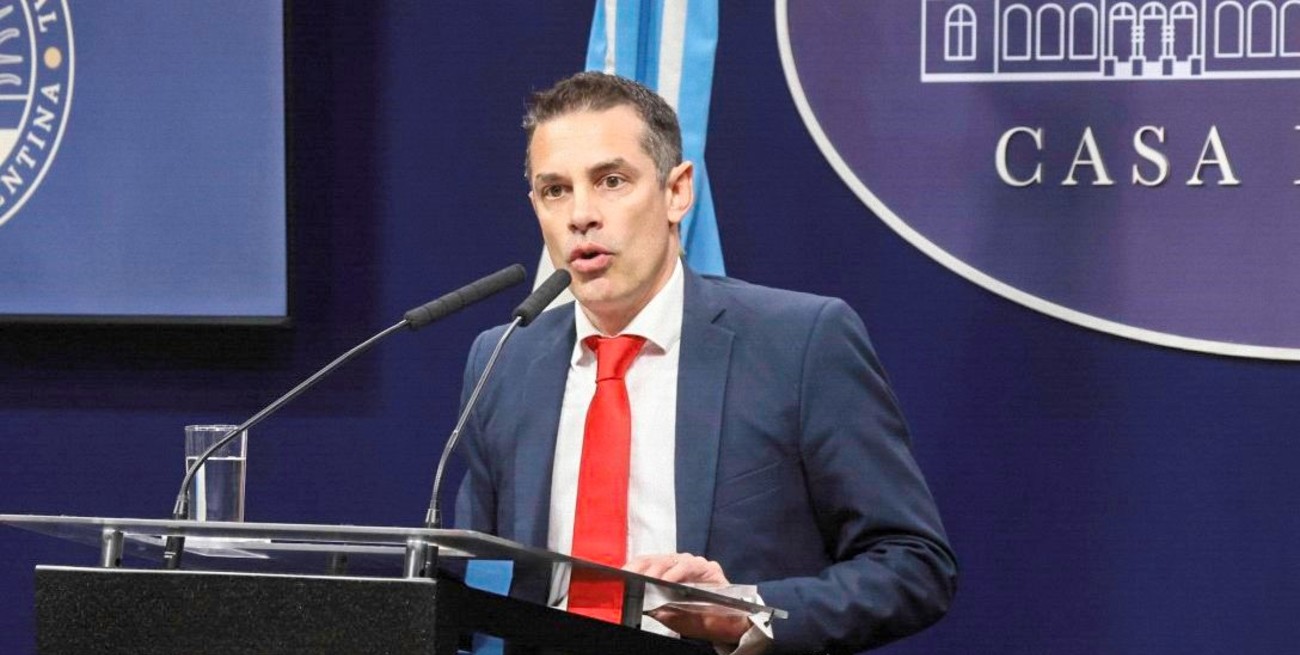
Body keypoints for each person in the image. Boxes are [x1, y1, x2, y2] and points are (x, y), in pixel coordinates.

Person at [455, 71, 956, 654]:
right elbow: (463, 577)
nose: (581, 215)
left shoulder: (798, 343)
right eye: (555, 190)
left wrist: (748, 611)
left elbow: (913, 564)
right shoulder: (503, 360)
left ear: (677, 191)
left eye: (611, 181)